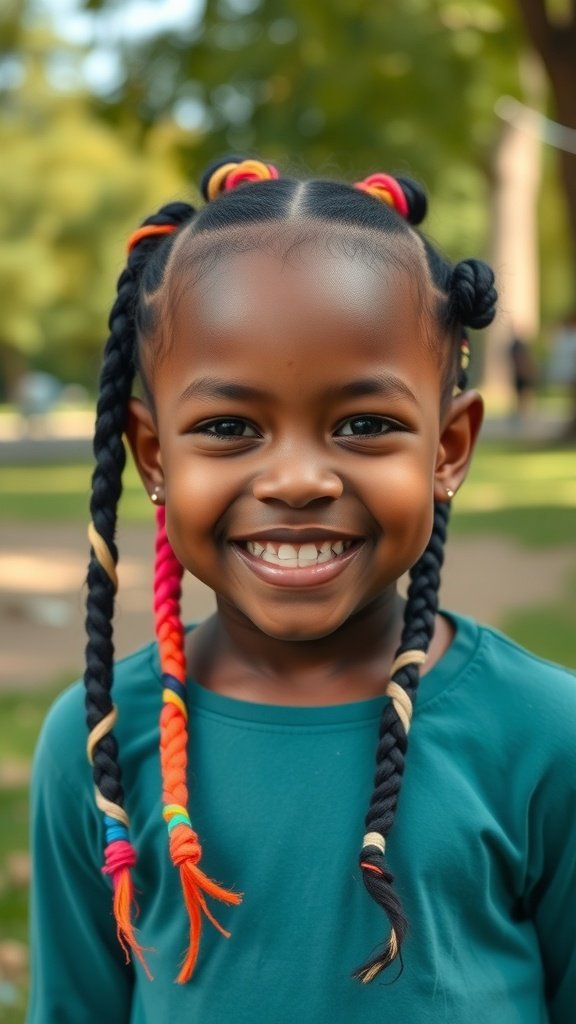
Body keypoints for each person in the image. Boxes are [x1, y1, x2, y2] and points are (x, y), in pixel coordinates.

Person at [27, 158, 576, 1023]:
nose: (295, 480)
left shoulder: (547, 735)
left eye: (365, 425)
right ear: (152, 455)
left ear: (449, 448)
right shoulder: (95, 746)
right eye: (229, 428)